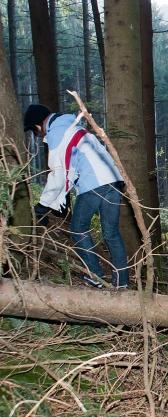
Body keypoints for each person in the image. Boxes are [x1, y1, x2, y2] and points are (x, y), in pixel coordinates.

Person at [24, 104, 128, 289]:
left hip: (94, 183)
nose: (38, 135)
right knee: (111, 233)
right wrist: (60, 200)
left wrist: (43, 206)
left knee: (78, 228)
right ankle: (122, 282)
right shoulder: (73, 126)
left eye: (35, 131)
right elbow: (71, 169)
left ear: (38, 125)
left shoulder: (57, 132)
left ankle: (95, 275)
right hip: (113, 181)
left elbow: (58, 173)